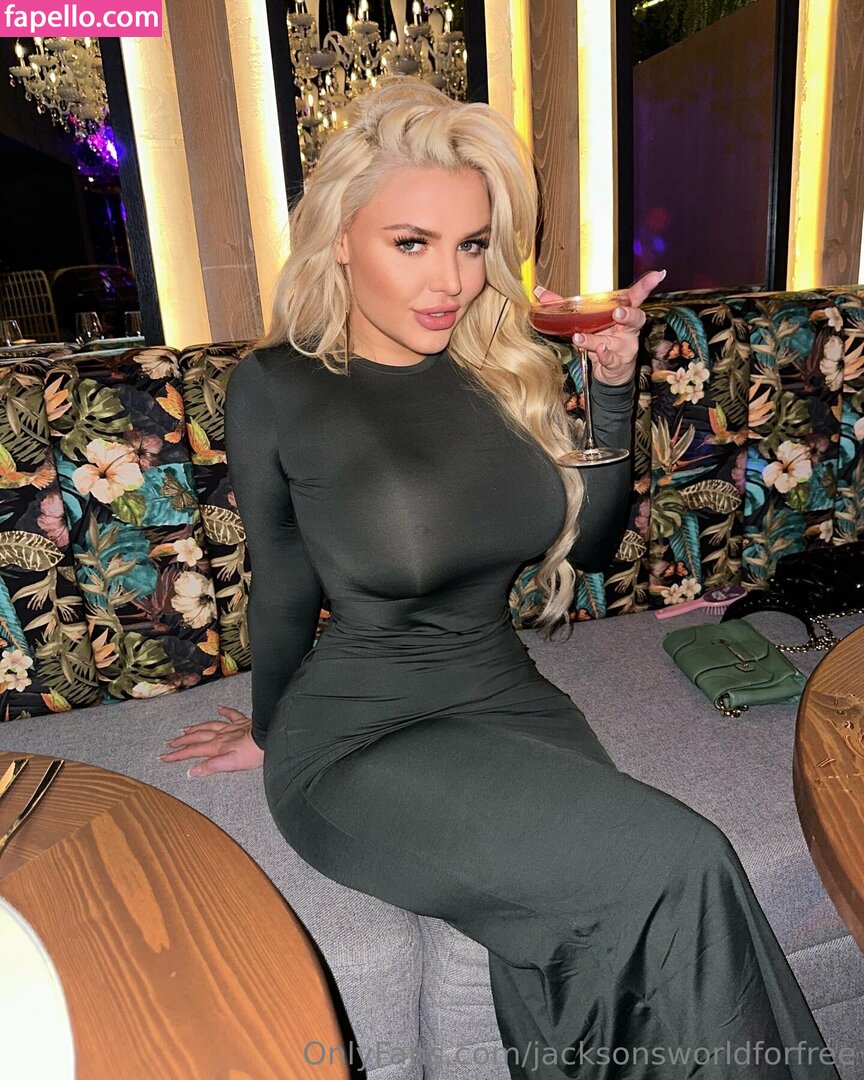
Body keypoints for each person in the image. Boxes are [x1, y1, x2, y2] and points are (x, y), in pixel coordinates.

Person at [161, 78, 840, 1079]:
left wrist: (613, 388)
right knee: (680, 858)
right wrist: (268, 730)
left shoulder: (496, 365)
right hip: (358, 736)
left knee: (596, 927)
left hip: (506, 695)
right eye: (412, 243)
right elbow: (285, 581)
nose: (450, 281)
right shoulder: (280, 385)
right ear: (340, 240)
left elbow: (594, 550)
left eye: (473, 244)